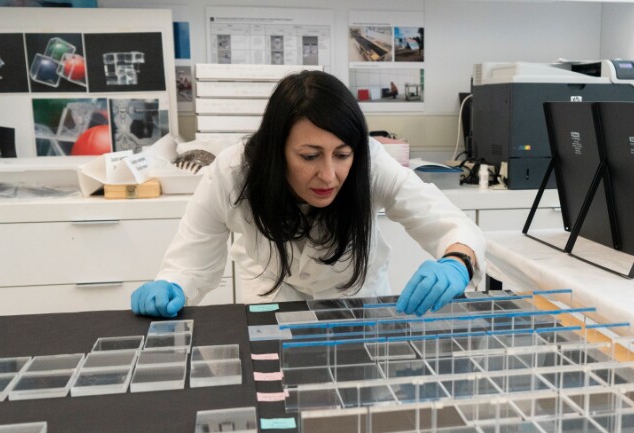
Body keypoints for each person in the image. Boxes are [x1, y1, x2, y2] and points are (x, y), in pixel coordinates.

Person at [130, 70, 485, 318]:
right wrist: (171, 285)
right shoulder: (233, 173)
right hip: (272, 295)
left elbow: (445, 221)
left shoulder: (369, 162)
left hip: (357, 300)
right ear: (276, 149)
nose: (329, 175)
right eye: (309, 156)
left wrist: (458, 262)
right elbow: (189, 263)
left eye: (342, 154)